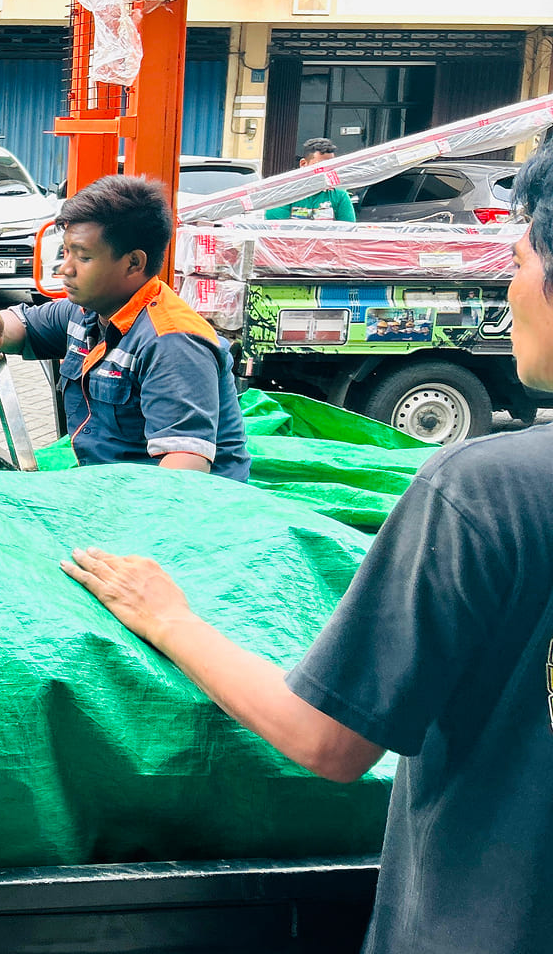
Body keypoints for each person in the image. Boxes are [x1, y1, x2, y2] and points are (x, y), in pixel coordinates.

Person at [63, 145, 553, 953]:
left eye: (520, 260)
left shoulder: (488, 493)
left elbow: (328, 741)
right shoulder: (92, 321)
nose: (509, 289)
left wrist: (168, 617)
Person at [0, 174, 250, 481]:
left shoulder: (171, 342)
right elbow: (24, 326)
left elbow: (185, 471)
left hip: (165, 501)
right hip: (107, 486)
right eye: (66, 252)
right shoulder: (87, 312)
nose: (65, 269)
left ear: (134, 263)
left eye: (83, 257)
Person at [265, 137, 356, 221]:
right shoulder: (284, 193)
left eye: (331, 166)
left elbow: (348, 227)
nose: (327, 171)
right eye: (321, 166)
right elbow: (276, 227)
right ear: (303, 164)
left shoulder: (339, 194)